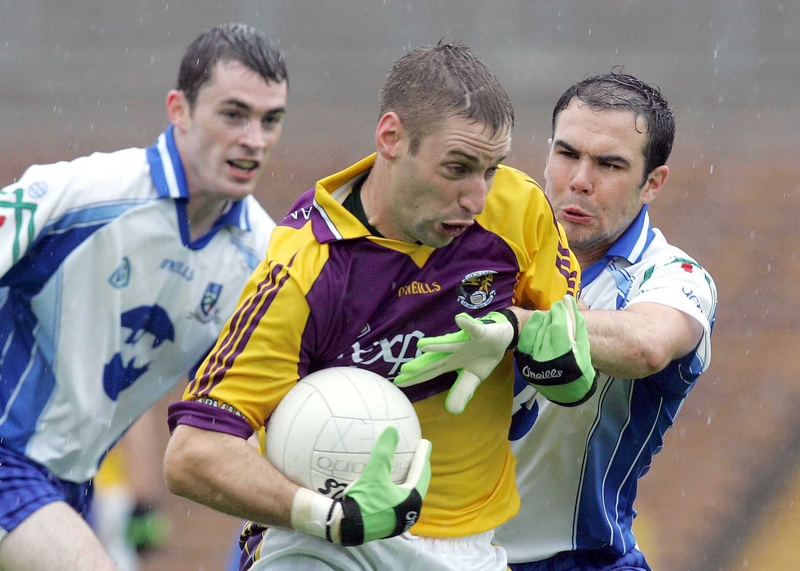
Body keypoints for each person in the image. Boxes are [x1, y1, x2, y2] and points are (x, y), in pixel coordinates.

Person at [164, 42, 594, 571]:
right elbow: (193, 453)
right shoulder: (307, 270)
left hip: (471, 548)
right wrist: (330, 517)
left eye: (490, 170)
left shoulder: (517, 208)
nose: (476, 198)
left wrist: (533, 338)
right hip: (323, 545)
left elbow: (569, 365)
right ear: (391, 138)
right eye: (457, 168)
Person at [0, 22, 288, 571]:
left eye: (270, 119)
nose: (255, 138)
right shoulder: (85, 196)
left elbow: (247, 409)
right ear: (180, 110)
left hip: (72, 486)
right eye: (234, 115)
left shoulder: (264, 261)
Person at [491, 71, 719, 570]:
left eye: (609, 164)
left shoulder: (673, 276)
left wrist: (515, 323)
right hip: (438, 553)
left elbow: (647, 345)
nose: (580, 180)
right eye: (567, 154)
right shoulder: (479, 250)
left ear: (652, 182)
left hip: (579, 560)